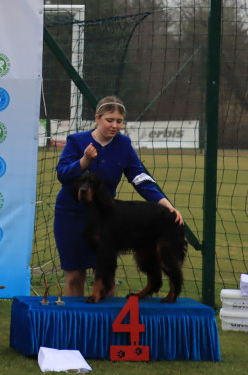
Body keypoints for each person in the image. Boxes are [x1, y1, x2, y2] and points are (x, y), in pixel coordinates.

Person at [54, 95, 183, 297]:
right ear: (97, 118)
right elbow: (63, 175)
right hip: (70, 216)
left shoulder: (123, 145)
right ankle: (77, 326)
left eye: (119, 121)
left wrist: (166, 204)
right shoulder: (77, 141)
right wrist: (85, 160)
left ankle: (107, 326)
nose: (114, 125)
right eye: (109, 120)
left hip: (105, 217)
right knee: (74, 277)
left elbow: (140, 178)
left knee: (107, 276)